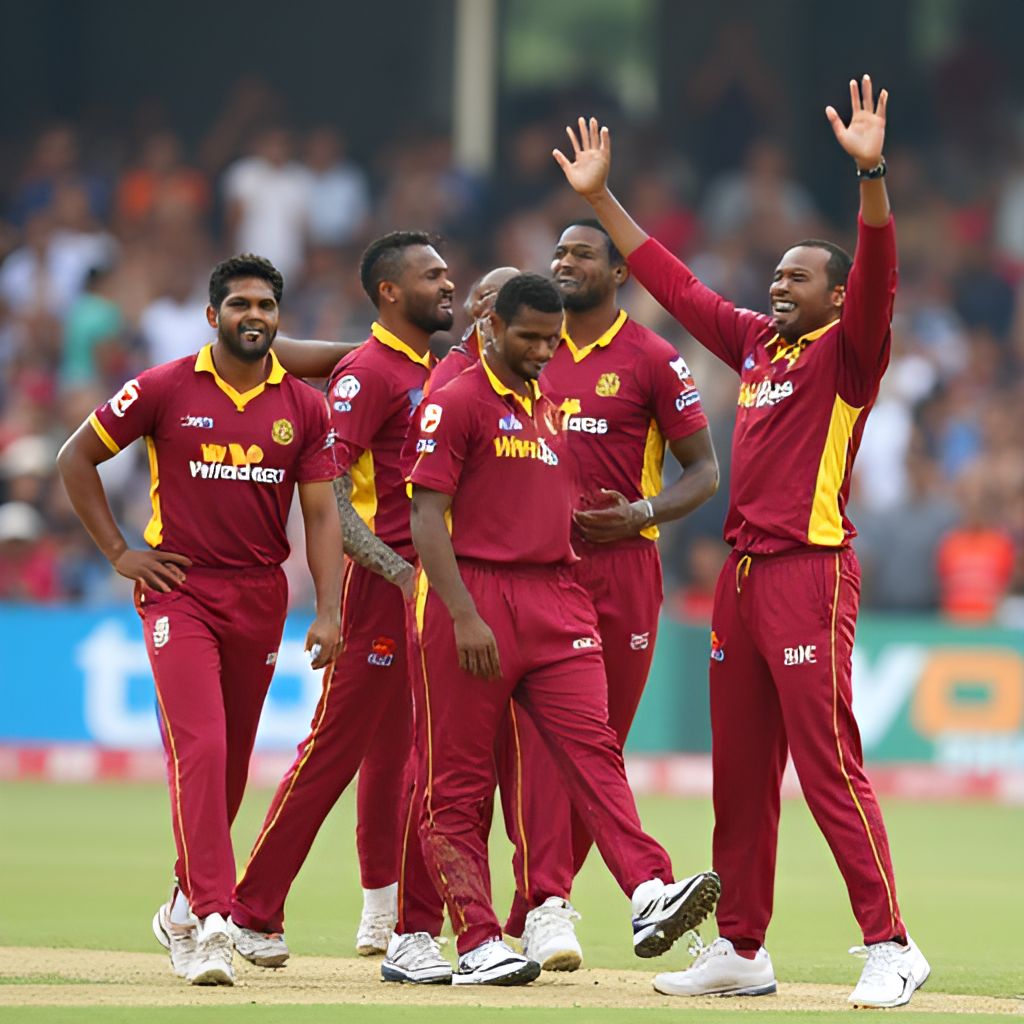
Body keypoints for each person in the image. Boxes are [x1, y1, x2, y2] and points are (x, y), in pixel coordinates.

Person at [553, 79, 931, 1008]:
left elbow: (880, 268)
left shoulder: (851, 352)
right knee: (742, 773)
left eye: (798, 278)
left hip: (811, 573)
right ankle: (740, 947)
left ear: (838, 296)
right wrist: (602, 199)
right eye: (776, 276)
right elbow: (676, 285)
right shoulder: (759, 346)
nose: (777, 286)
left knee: (828, 762)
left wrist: (871, 175)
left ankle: (891, 943)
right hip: (743, 577)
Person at [404, 272, 720, 985]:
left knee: (593, 752)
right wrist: (461, 613)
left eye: (553, 339)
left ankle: (649, 889)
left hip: (555, 595)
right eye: (531, 338)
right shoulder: (455, 401)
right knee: (456, 784)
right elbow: (425, 517)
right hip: (474, 595)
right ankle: (477, 939)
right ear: (491, 327)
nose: (545, 352)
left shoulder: (548, 408)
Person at [56, 254, 344, 987]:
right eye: (241, 304)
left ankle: (180, 907)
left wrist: (330, 608)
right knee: (202, 748)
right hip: (178, 589)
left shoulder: (305, 406)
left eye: (266, 306)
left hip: (260, 596)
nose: (255, 316)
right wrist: (120, 552)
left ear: (278, 317)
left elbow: (320, 515)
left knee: (231, 764)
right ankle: (213, 922)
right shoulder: (164, 386)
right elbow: (75, 457)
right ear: (213, 315)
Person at [496, 220, 719, 970]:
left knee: (598, 747)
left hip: (624, 568)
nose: (564, 261)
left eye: (582, 253)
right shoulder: (529, 348)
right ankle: (549, 905)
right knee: (546, 741)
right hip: (542, 568)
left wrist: (641, 512)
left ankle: (538, 905)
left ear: (619, 273)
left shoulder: (654, 358)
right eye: (558, 252)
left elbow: (704, 472)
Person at [229, 232, 454, 974]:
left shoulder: (428, 368)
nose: (448, 284)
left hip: (426, 587)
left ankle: (386, 911)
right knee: (332, 748)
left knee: (401, 753)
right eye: (432, 274)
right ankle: (252, 911)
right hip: (384, 591)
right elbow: (328, 496)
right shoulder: (369, 374)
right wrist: (397, 573)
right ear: (390, 291)